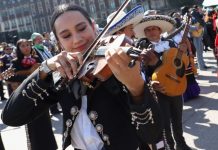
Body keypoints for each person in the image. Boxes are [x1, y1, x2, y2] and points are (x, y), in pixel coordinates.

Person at [2, 4, 162, 150]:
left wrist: (136, 87)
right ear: (58, 42)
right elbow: (11, 117)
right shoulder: (61, 75)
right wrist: (44, 69)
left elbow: (152, 135)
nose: (77, 39)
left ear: (93, 27)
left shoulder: (120, 64)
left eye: (81, 28)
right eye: (66, 35)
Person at [134, 14, 192, 150]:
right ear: (144, 33)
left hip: (176, 85)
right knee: (164, 122)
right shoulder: (142, 48)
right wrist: (149, 82)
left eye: (154, 28)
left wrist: (183, 53)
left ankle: (181, 144)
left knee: (177, 119)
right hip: (159, 90)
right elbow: (140, 72)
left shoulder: (171, 44)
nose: (151, 31)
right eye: (148, 30)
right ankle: (170, 146)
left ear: (160, 30)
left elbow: (181, 63)